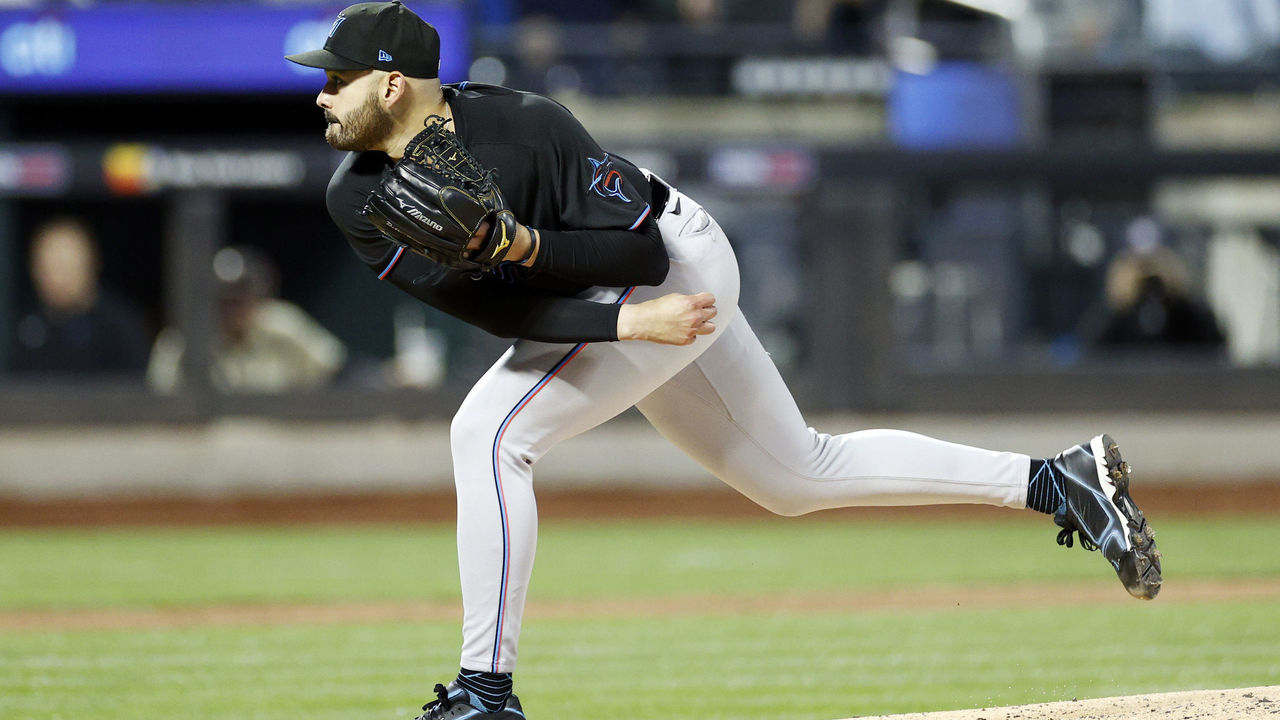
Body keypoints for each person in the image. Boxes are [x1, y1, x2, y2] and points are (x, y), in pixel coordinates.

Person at [286, 3, 1162, 717]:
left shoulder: (524, 127)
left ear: (393, 83)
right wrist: (607, 317)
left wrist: (545, 259)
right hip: (604, 306)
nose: (322, 95)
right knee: (795, 476)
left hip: (677, 259)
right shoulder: (355, 196)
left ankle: (485, 692)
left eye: (336, 78)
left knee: (487, 434)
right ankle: (1060, 481)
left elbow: (635, 259)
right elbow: (486, 306)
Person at [147, 245, 347, 394]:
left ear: (259, 296)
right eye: (224, 300)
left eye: (240, 298)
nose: (233, 308)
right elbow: (160, 401)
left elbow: (337, 371)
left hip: (279, 437)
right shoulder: (182, 341)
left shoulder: (282, 325)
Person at [7, 216, 151, 379]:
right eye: (48, 267)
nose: (57, 278)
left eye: (65, 266)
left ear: (91, 264)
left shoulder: (119, 325)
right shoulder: (25, 325)